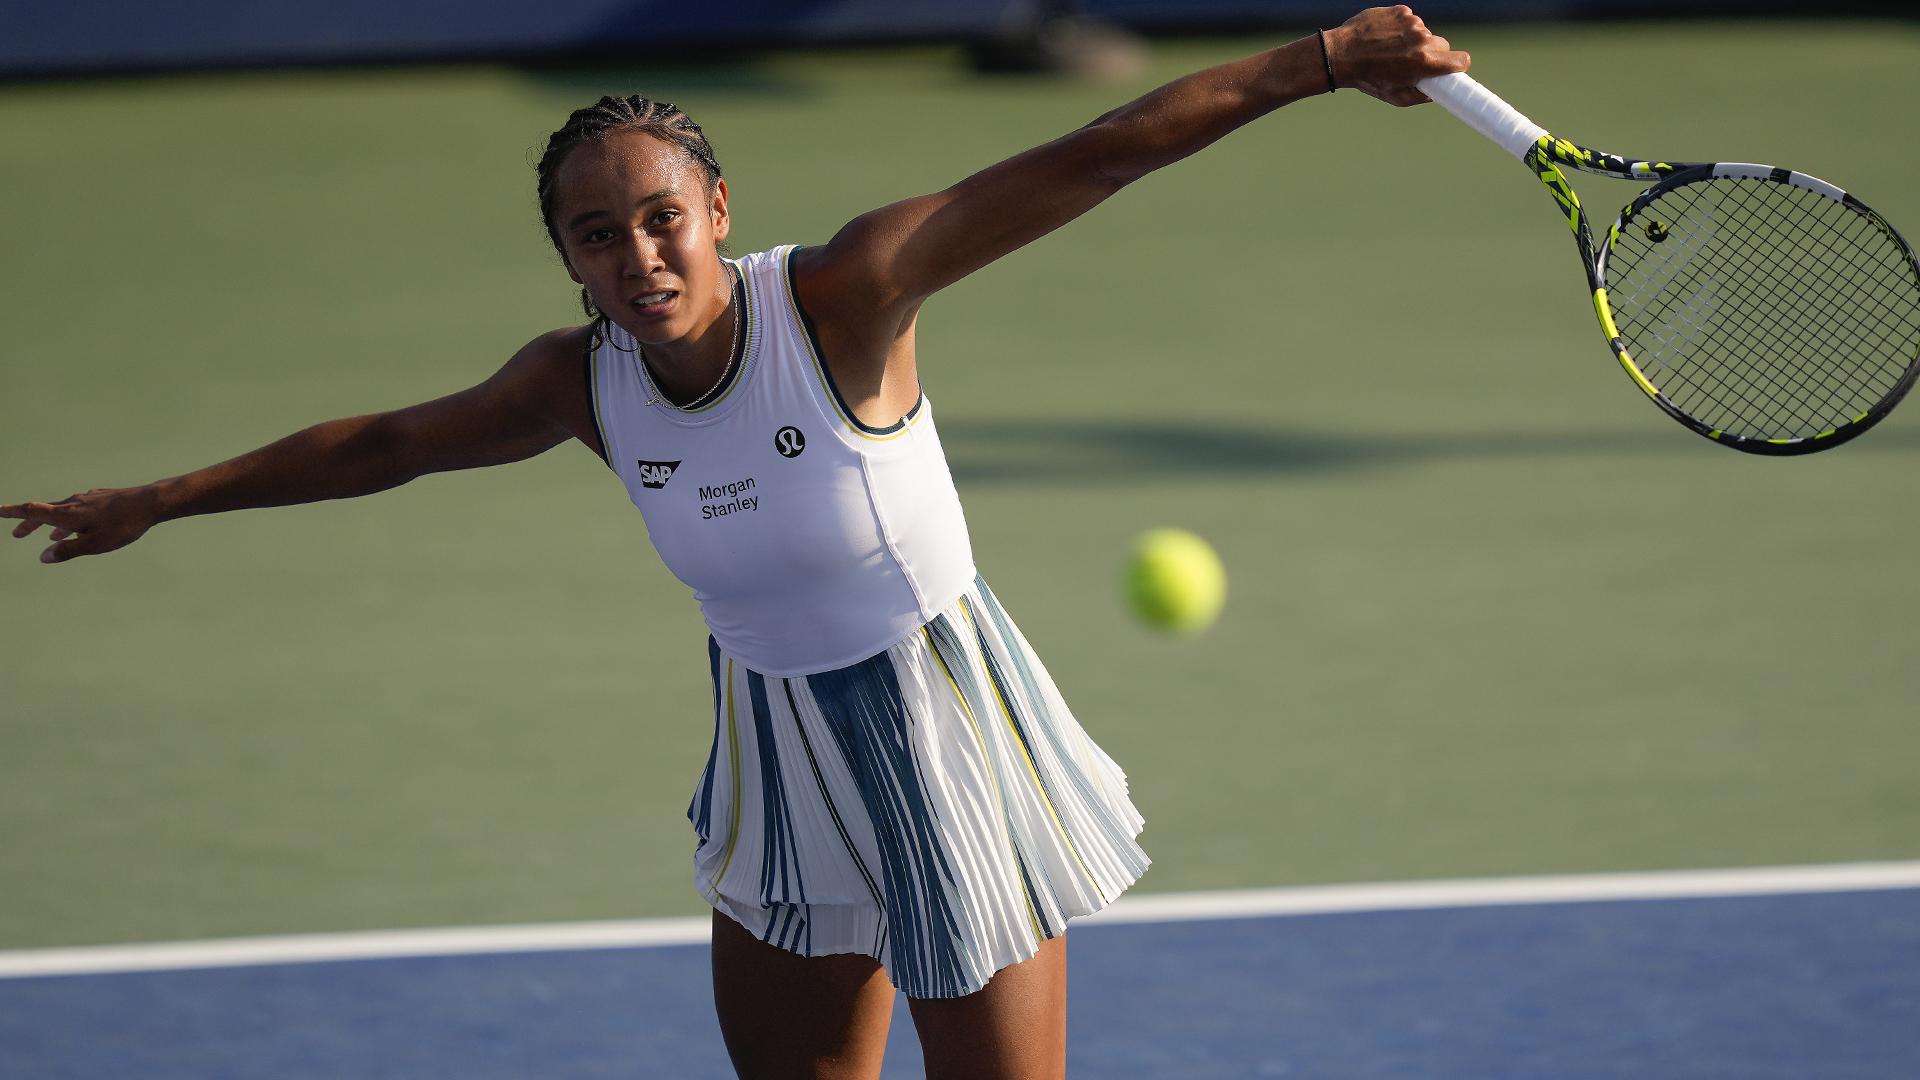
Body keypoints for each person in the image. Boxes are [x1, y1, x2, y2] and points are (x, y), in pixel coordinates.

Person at [3, 8, 1467, 1078]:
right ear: (567, 258)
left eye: (660, 221)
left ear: (717, 213)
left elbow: (1091, 157)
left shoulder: (846, 295)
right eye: (596, 237)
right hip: (777, 745)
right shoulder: (575, 383)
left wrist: (1321, 61)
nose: (636, 259)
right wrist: (161, 499)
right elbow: (388, 447)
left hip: (945, 730)